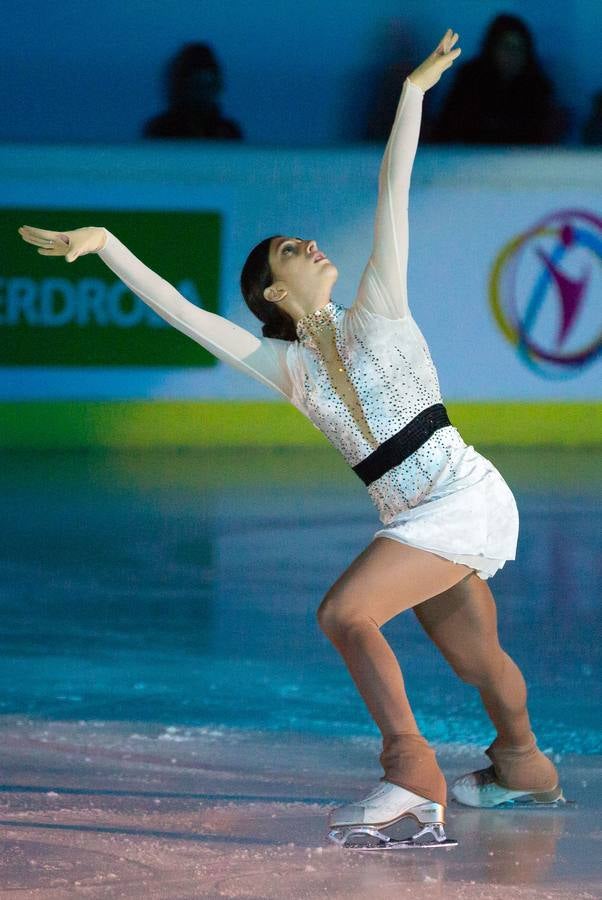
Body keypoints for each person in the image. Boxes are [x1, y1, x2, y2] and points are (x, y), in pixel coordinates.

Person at [17, 28, 565, 851]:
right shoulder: (287, 369)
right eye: (290, 251)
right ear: (275, 290)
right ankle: (525, 765)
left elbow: (394, 186)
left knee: (346, 613)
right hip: (414, 516)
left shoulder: (380, 306)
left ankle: (412, 775)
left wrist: (413, 95)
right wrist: (107, 247)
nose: (310, 245)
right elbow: (188, 315)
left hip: (464, 493)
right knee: (476, 655)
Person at [430, 14, 565, 144]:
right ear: (492, 47)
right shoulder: (470, 79)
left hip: (523, 164)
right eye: (506, 46)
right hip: (470, 161)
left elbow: (541, 137)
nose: (512, 54)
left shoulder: (538, 87)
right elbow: (448, 128)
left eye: (519, 48)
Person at [143, 42, 242, 140]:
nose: (203, 93)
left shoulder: (229, 131)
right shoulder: (161, 129)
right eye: (197, 84)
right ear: (183, 86)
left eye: (208, 85)